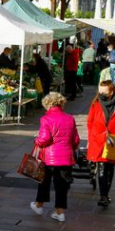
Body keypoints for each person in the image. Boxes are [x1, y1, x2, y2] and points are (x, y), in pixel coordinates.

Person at [30, 92, 80, 222]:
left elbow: (44, 139)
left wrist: (37, 141)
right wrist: (70, 149)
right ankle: (60, 212)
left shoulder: (45, 119)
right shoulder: (70, 118)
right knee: (62, 185)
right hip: (66, 157)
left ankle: (39, 205)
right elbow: (75, 139)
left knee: (44, 182)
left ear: (47, 105)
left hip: (49, 157)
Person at [86, 80, 115, 207]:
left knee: (110, 168)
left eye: (104, 91)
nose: (101, 93)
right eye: (100, 91)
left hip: (113, 140)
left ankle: (106, 194)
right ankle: (103, 196)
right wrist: (92, 137)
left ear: (112, 91)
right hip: (99, 140)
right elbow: (90, 122)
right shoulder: (95, 103)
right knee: (102, 168)